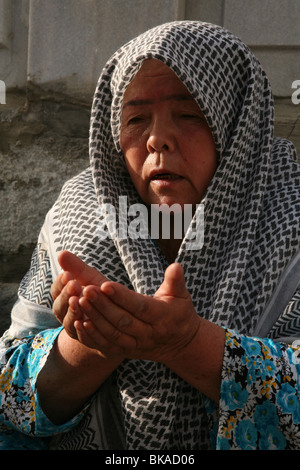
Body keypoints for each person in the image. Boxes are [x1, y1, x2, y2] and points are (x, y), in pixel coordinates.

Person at [0, 20, 299, 451]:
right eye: (137, 118)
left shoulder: (290, 219)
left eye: (189, 114)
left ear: (236, 124)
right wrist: (93, 344)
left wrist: (189, 344)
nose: (158, 138)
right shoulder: (78, 218)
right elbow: (9, 396)